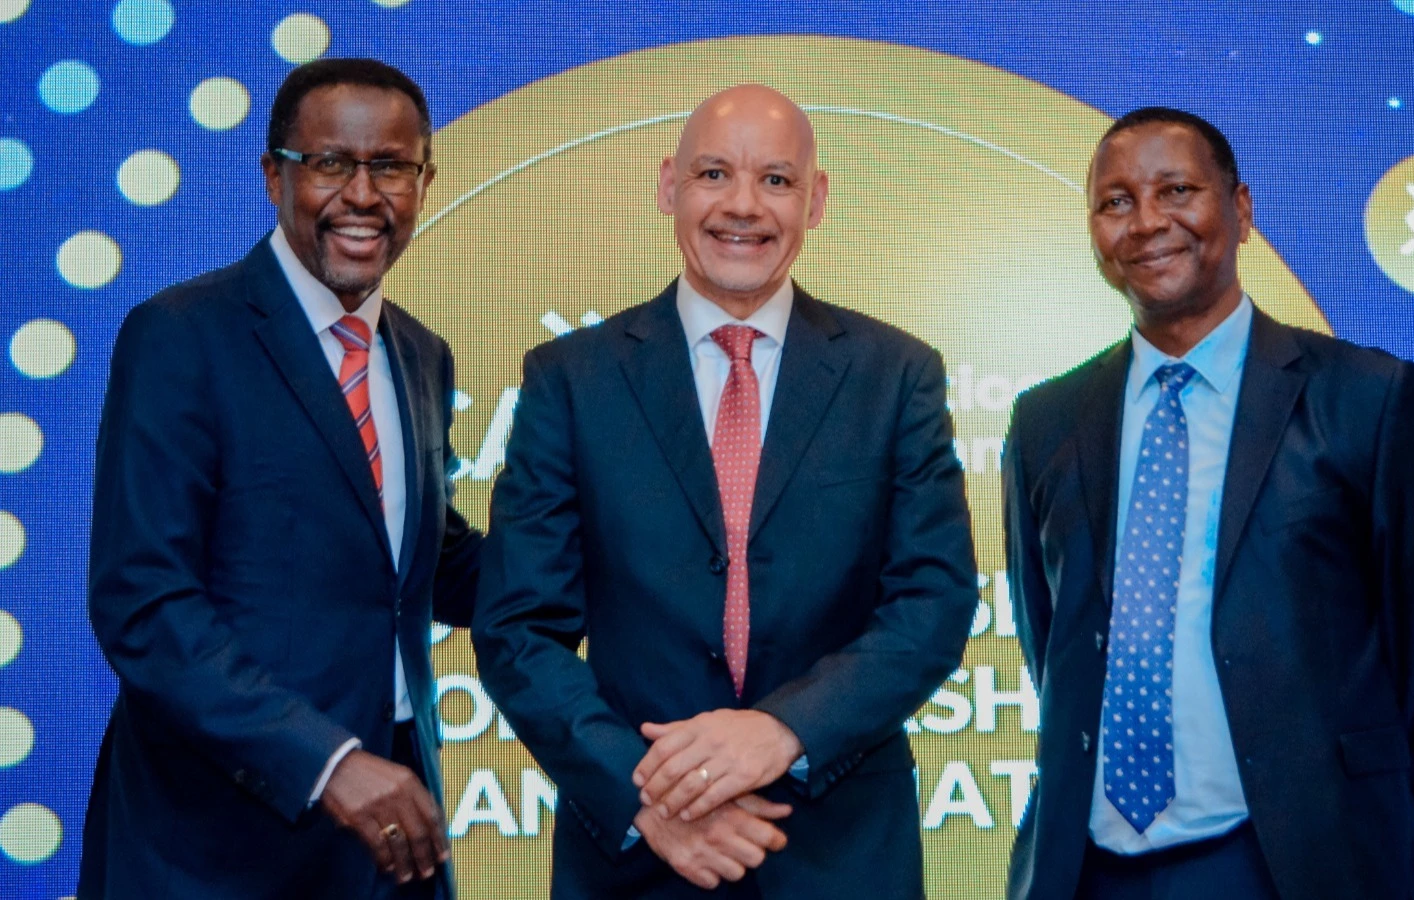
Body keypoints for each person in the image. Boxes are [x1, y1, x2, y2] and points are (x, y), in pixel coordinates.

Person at [472, 83, 978, 899]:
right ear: (669, 185)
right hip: (637, 854)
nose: (743, 206)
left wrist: (783, 731)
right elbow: (518, 626)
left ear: (815, 200)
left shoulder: (895, 376)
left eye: (776, 180)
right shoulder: (572, 380)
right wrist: (650, 794)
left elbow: (932, 603)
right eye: (715, 174)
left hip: (840, 853)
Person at [1003, 107, 1414, 900]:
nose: (1148, 222)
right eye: (1115, 201)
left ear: (1242, 210)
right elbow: (1051, 637)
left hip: (1295, 867)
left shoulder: (1368, 400)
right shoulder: (1047, 420)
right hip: (1083, 871)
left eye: (1177, 190)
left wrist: (1340, 796)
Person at [80, 58, 482, 900]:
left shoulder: (419, 355)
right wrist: (327, 762)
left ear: (424, 181)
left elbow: (421, 566)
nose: (363, 196)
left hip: (391, 842)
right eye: (332, 163)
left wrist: (611, 537)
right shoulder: (181, 336)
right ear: (274, 176)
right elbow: (145, 601)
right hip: (216, 844)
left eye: (391, 167)